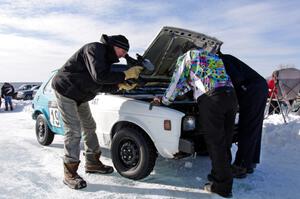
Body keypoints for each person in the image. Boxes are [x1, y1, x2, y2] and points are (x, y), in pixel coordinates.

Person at [52, 34, 143, 189]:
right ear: (114, 45)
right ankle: (70, 173)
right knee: (74, 131)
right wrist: (125, 74)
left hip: (81, 94)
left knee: (90, 127)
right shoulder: (94, 49)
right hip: (66, 90)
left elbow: (99, 84)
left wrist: (120, 85)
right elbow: (99, 77)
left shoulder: (106, 60)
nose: (123, 55)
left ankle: (92, 163)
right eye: (123, 50)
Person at [153, 48, 237, 198]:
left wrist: (165, 100)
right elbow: (190, 84)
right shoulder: (212, 57)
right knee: (225, 140)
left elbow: (177, 81)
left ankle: (222, 187)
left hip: (212, 99)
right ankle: (219, 174)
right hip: (230, 96)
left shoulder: (187, 57)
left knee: (215, 142)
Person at [218, 51, 268, 178]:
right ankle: (250, 163)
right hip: (259, 87)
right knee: (254, 126)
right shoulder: (227, 58)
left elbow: (237, 79)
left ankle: (241, 166)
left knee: (247, 127)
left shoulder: (221, 61)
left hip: (251, 90)